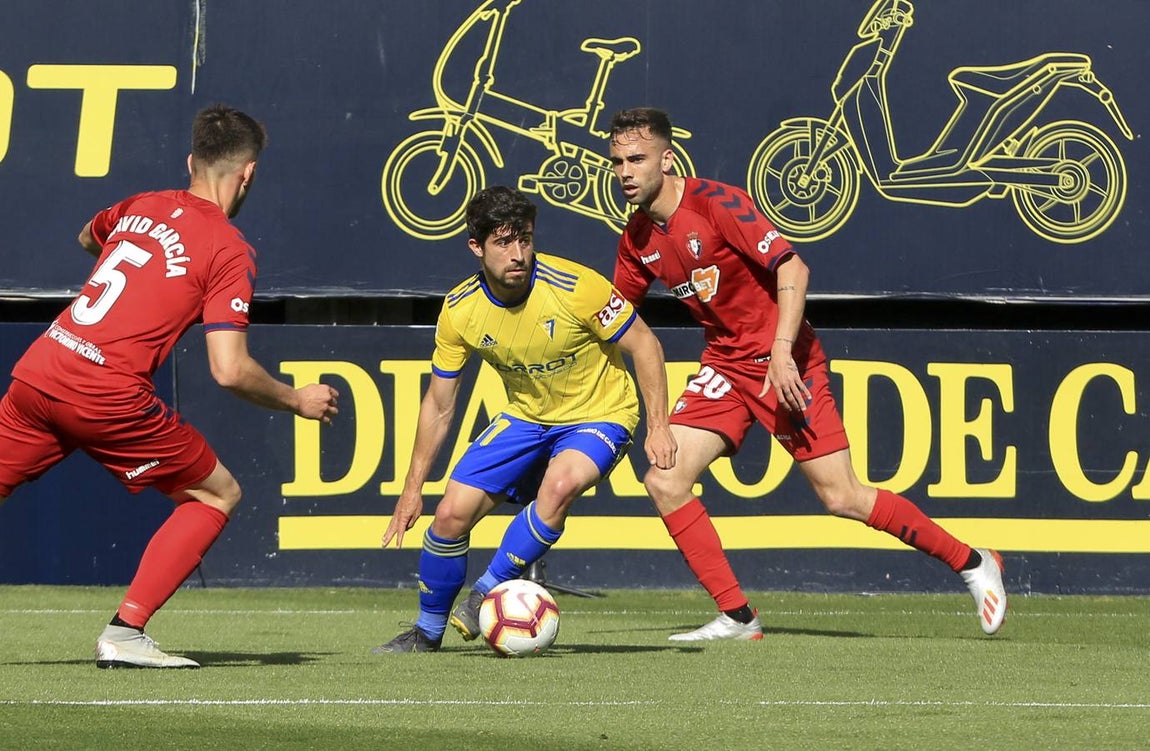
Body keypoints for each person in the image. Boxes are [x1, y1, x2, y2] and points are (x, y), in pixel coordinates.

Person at [607, 107, 1007, 640]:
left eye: (637, 159)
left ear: (668, 157)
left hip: (786, 363)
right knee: (664, 477)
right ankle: (738, 616)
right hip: (725, 365)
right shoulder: (636, 238)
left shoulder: (718, 203)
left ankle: (973, 561)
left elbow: (793, 268)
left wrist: (780, 350)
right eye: (617, 162)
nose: (626, 172)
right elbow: (618, 322)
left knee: (841, 497)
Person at [0, 105, 339, 668]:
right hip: (105, 392)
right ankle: (126, 632)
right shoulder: (229, 248)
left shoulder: (143, 204)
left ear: (191, 160)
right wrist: (297, 399)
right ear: (249, 173)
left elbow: (90, 235)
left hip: (42, 368)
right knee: (217, 493)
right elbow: (229, 370)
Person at [375, 185, 676, 652]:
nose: (518, 254)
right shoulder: (460, 310)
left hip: (601, 412)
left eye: (525, 240)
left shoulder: (577, 287)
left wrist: (658, 425)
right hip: (526, 417)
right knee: (450, 515)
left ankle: (484, 593)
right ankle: (427, 634)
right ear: (476, 247)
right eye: (502, 243)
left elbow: (645, 345)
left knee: (558, 486)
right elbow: (439, 403)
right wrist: (412, 487)